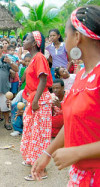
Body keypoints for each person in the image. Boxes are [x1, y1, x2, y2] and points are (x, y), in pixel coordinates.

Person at [31, 6, 100, 185]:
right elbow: (71, 122)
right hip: (80, 175)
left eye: (66, 34)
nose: (65, 39)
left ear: (77, 37)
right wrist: (47, 154)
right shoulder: (82, 76)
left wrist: (76, 152)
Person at [20, 31, 53, 180]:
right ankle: (34, 161)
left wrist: (35, 101)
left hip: (39, 100)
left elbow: (43, 80)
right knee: (33, 132)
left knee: (39, 135)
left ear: (34, 43)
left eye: (26, 39)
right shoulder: (34, 58)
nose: (23, 41)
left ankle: (41, 170)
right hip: (35, 98)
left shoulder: (39, 57)